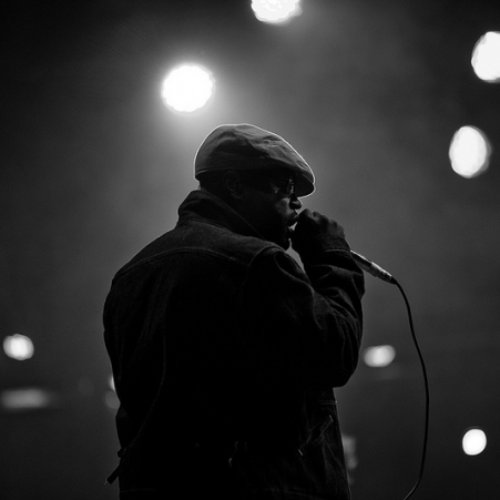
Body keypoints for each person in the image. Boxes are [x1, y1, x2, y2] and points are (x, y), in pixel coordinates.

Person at [103, 123, 365, 499]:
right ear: (235, 185)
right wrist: (332, 258)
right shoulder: (257, 263)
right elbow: (336, 351)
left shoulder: (131, 276)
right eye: (284, 187)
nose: (296, 204)